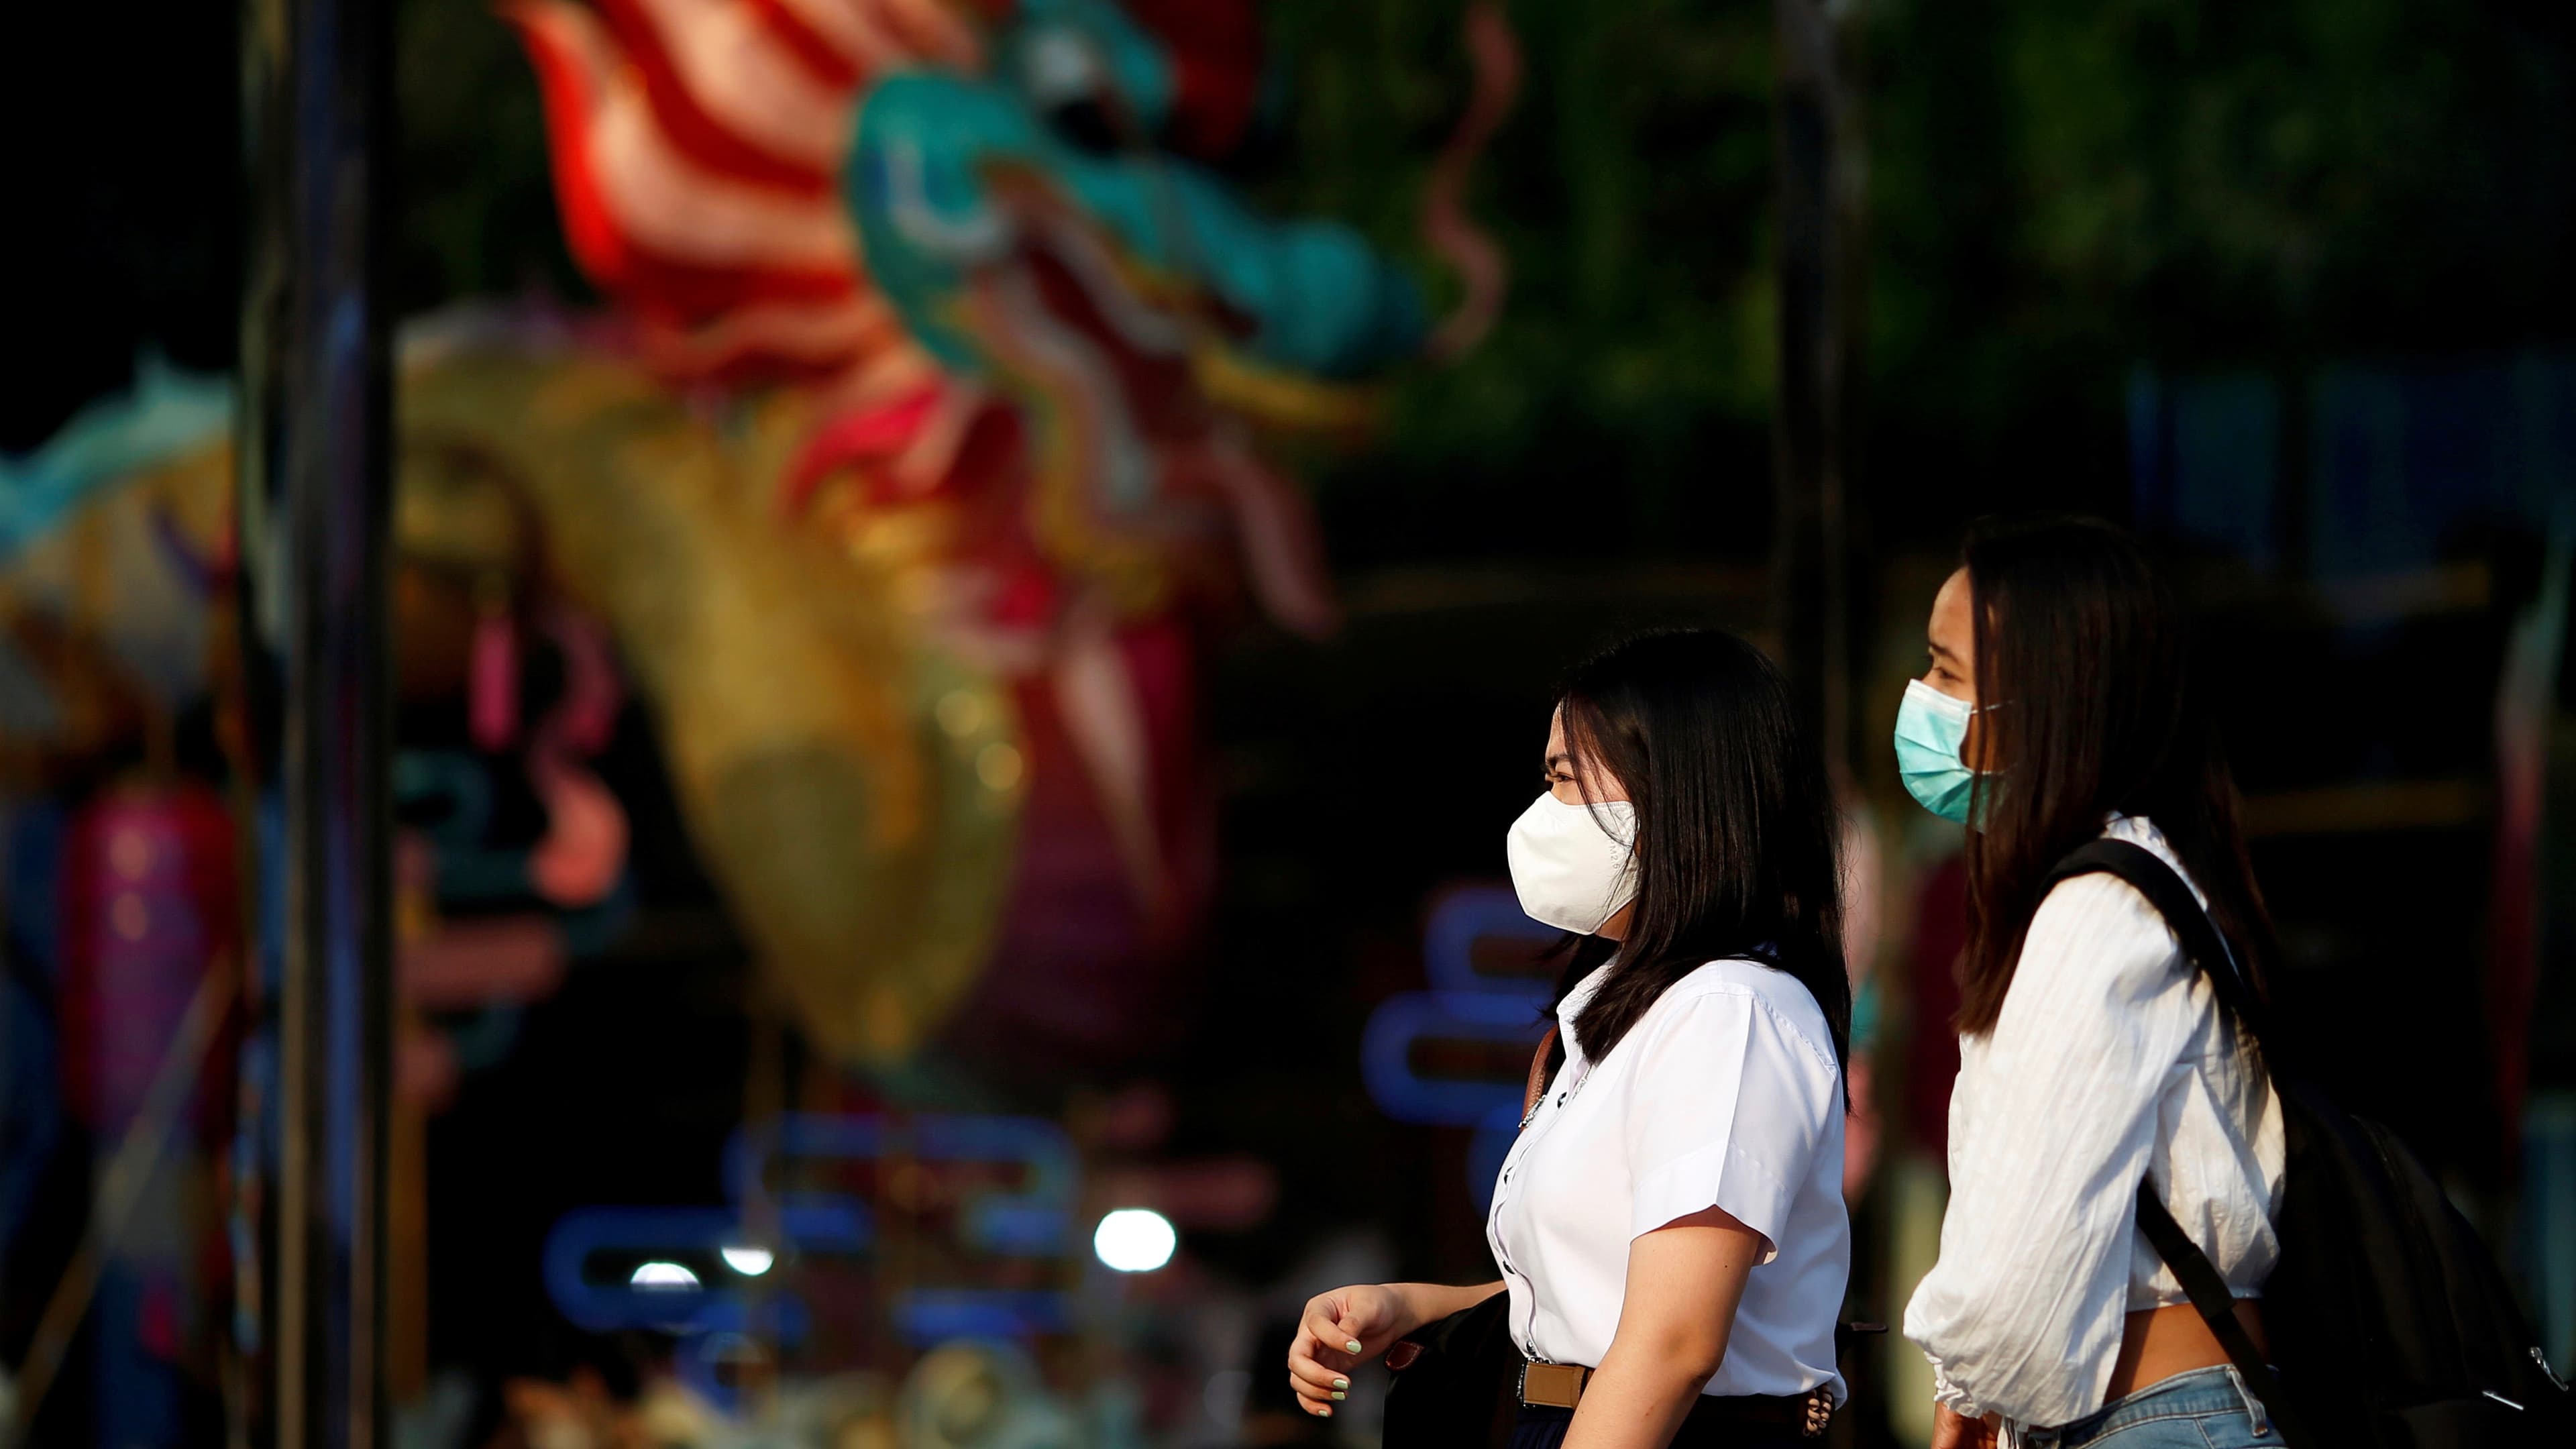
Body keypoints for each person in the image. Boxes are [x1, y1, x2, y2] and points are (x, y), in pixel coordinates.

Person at [1287, 629, 1854, 1449]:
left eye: (1562, 779)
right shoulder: (1624, 1010)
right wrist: (1410, 1305)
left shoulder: (1730, 1010)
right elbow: (1595, 1307)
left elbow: (1672, 1345)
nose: (1541, 812)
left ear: (1673, 792)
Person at [1895, 516, 2288, 1449]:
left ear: (2045, 704)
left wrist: (1967, 1391)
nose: (1922, 700)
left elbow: (2024, 1244)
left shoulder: (2098, 906)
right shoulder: (2114, 887)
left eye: (1948, 674)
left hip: (2151, 1420)